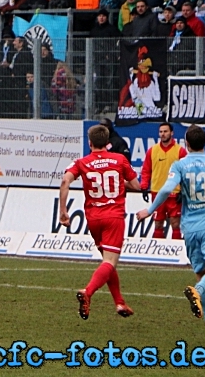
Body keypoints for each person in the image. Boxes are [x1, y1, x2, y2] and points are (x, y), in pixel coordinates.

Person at [136, 125, 205, 341]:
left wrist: (149, 210)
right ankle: (198, 291)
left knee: (201, 273)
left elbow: (165, 189)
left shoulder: (180, 165)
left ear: (186, 143)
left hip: (190, 228)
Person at [58, 124, 140, 320]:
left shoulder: (81, 162)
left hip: (93, 218)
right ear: (108, 143)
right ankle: (88, 291)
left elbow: (65, 182)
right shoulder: (120, 159)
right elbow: (137, 185)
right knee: (110, 262)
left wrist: (63, 211)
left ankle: (119, 303)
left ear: (90, 143)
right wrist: (121, 184)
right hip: (113, 216)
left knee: (107, 262)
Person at [141, 122, 187, 240]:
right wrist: (144, 187)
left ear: (172, 133)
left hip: (174, 193)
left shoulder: (180, 151)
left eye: (165, 131)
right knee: (158, 224)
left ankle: (176, 251)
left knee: (175, 224)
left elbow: (186, 173)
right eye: (161, 132)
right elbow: (146, 170)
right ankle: (158, 254)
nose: (163, 134)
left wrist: (183, 190)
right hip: (157, 192)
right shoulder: (152, 151)